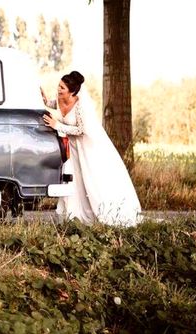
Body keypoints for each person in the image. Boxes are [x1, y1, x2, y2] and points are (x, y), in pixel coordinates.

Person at [41, 71, 142, 226]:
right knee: (75, 180)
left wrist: (58, 125)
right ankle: (75, 216)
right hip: (73, 149)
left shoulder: (80, 107)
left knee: (92, 180)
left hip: (87, 147)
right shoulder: (60, 99)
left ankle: (106, 214)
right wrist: (43, 98)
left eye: (62, 88)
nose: (59, 89)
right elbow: (51, 103)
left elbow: (81, 130)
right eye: (59, 86)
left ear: (72, 91)